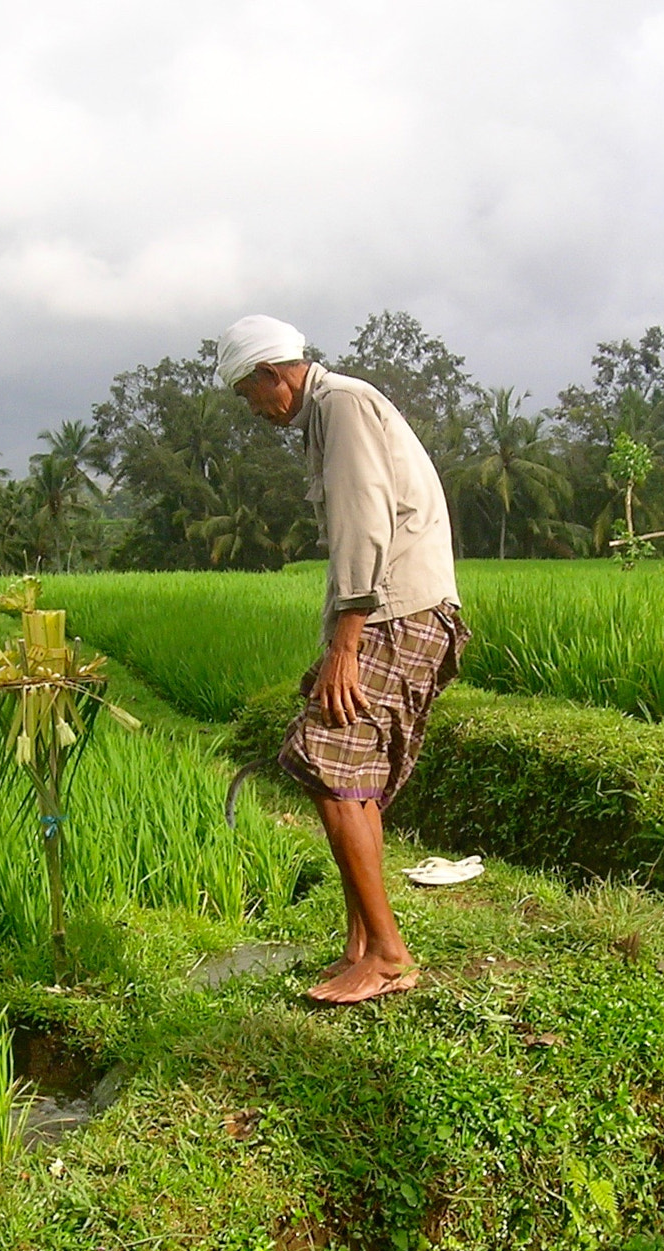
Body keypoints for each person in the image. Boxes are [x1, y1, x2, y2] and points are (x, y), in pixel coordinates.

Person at [216, 314, 469, 1005]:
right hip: (395, 610)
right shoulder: (329, 415)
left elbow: (364, 523)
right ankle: (362, 942)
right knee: (347, 769)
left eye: (248, 393)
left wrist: (345, 647)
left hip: (397, 612)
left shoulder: (344, 404)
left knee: (328, 762)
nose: (252, 408)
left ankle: (388, 956)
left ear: (273, 375)